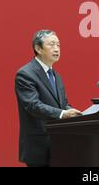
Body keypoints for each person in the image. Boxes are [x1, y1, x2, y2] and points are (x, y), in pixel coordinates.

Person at [15, 30, 82, 167]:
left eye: (58, 45)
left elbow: (62, 104)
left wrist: (73, 112)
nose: (56, 49)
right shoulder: (25, 74)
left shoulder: (56, 75)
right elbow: (33, 105)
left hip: (58, 145)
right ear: (38, 48)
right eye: (51, 45)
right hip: (38, 146)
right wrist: (62, 113)